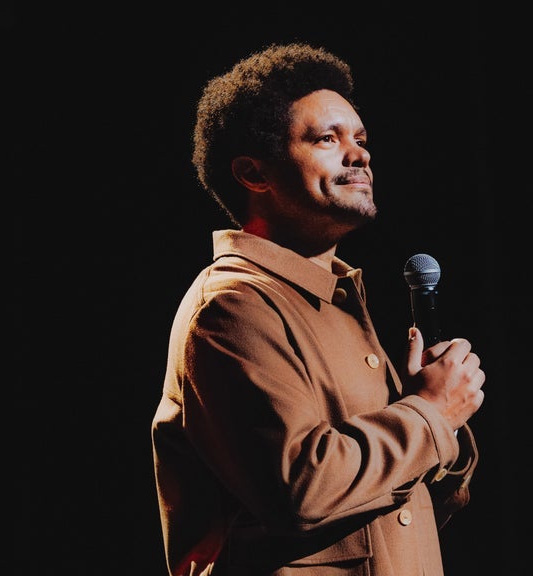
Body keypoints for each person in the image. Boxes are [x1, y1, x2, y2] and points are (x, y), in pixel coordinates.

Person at [151, 42, 486, 576]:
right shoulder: (232, 308)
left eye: (360, 139)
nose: (359, 155)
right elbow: (301, 490)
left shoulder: (336, 300)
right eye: (328, 139)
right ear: (254, 173)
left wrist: (444, 420)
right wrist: (430, 414)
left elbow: (386, 507)